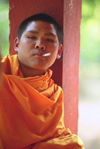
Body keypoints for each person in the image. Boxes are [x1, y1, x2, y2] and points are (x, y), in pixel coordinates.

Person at [0, 13, 84, 149]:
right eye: (32, 37)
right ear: (17, 44)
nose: (40, 45)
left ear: (59, 52)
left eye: (49, 40)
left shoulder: (54, 93)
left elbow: (54, 137)